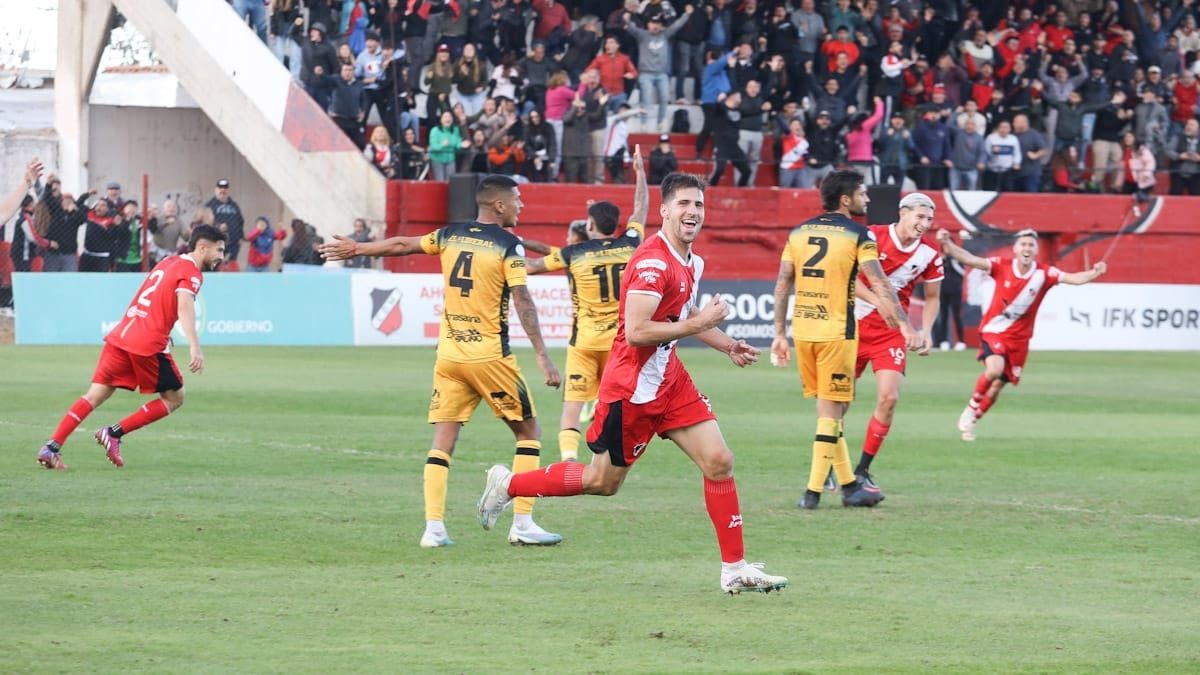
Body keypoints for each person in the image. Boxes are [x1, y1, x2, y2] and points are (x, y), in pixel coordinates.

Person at [477, 172, 788, 594]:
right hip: (632, 389)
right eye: (683, 204)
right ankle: (509, 484)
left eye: (698, 204)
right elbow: (638, 330)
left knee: (719, 461)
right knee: (601, 482)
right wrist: (699, 322)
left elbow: (683, 314)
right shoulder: (651, 261)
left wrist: (726, 344)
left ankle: (734, 568)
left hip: (669, 379)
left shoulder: (691, 261)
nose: (692, 211)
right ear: (664, 211)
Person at [319, 175, 563, 548]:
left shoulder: (451, 234)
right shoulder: (507, 244)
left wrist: (358, 248)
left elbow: (403, 244)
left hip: (449, 355)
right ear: (499, 205)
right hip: (489, 357)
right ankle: (523, 523)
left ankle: (433, 529)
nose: (521, 205)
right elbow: (522, 300)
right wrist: (544, 357)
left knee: (442, 441)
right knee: (528, 434)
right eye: (516, 199)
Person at [770, 169, 918, 510]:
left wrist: (778, 334)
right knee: (831, 413)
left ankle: (850, 485)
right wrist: (905, 326)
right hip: (837, 333)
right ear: (845, 199)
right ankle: (812, 492)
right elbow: (879, 283)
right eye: (862, 193)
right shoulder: (859, 234)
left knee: (828, 409)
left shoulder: (798, 232)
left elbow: (782, 284)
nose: (867, 199)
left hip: (803, 330)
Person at [36, 226, 227, 470]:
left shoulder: (169, 262)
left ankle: (51, 447)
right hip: (146, 344)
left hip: (122, 335)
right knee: (175, 397)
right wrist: (194, 345)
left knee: (95, 395)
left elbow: (153, 297)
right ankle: (114, 433)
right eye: (219, 249)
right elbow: (184, 306)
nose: (222, 255)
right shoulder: (192, 273)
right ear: (202, 247)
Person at [524, 146, 649, 462]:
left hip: (584, 342)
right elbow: (641, 208)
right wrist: (640, 172)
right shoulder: (631, 244)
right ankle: (606, 458)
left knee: (572, 405)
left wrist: (504, 248)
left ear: (590, 226)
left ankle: (568, 461)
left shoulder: (573, 255)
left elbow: (530, 266)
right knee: (614, 403)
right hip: (619, 343)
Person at [936, 228, 1107, 442]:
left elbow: (1074, 278)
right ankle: (970, 409)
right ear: (1016, 249)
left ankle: (973, 421)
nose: (1027, 248)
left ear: (1035, 250)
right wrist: (948, 245)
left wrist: (1094, 272)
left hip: (1020, 340)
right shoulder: (1000, 265)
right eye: (1023, 244)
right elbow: (970, 259)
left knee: (999, 385)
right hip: (994, 330)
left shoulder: (1045, 274)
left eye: (1031, 245)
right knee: (994, 370)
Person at [833, 193, 943, 493]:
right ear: (903, 213)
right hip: (853, 325)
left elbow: (933, 298)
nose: (924, 224)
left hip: (891, 332)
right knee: (839, 401)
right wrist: (878, 300)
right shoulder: (872, 236)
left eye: (929, 220)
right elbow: (848, 278)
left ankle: (863, 469)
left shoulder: (930, 256)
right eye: (919, 217)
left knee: (889, 398)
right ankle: (831, 461)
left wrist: (927, 330)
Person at [205, 179, 246, 268]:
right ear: (215, 190)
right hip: (216, 242)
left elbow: (240, 221)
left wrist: (241, 236)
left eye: (225, 188)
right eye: (220, 188)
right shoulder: (210, 205)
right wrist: (217, 226)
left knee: (231, 266)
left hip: (233, 243)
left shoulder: (234, 205)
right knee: (215, 265)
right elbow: (205, 221)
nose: (223, 190)